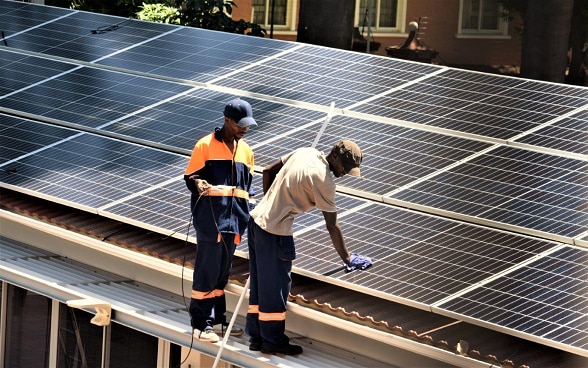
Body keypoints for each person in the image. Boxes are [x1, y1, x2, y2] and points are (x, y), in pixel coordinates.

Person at [245, 139, 373, 355]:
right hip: (275, 232)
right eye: (345, 167)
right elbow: (332, 226)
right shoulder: (324, 182)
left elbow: (268, 170)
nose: (344, 173)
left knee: (259, 285)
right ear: (334, 157)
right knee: (276, 289)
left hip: (256, 222)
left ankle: (257, 338)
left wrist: (269, 204)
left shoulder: (306, 152)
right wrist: (347, 258)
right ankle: (273, 341)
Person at [184, 98, 257, 343]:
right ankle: (199, 324)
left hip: (236, 221)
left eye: (247, 125)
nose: (244, 129)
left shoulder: (246, 151)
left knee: (221, 276)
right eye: (240, 124)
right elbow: (190, 177)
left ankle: (216, 321)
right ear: (227, 120)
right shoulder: (205, 145)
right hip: (211, 220)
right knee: (207, 272)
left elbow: (247, 188)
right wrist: (198, 183)